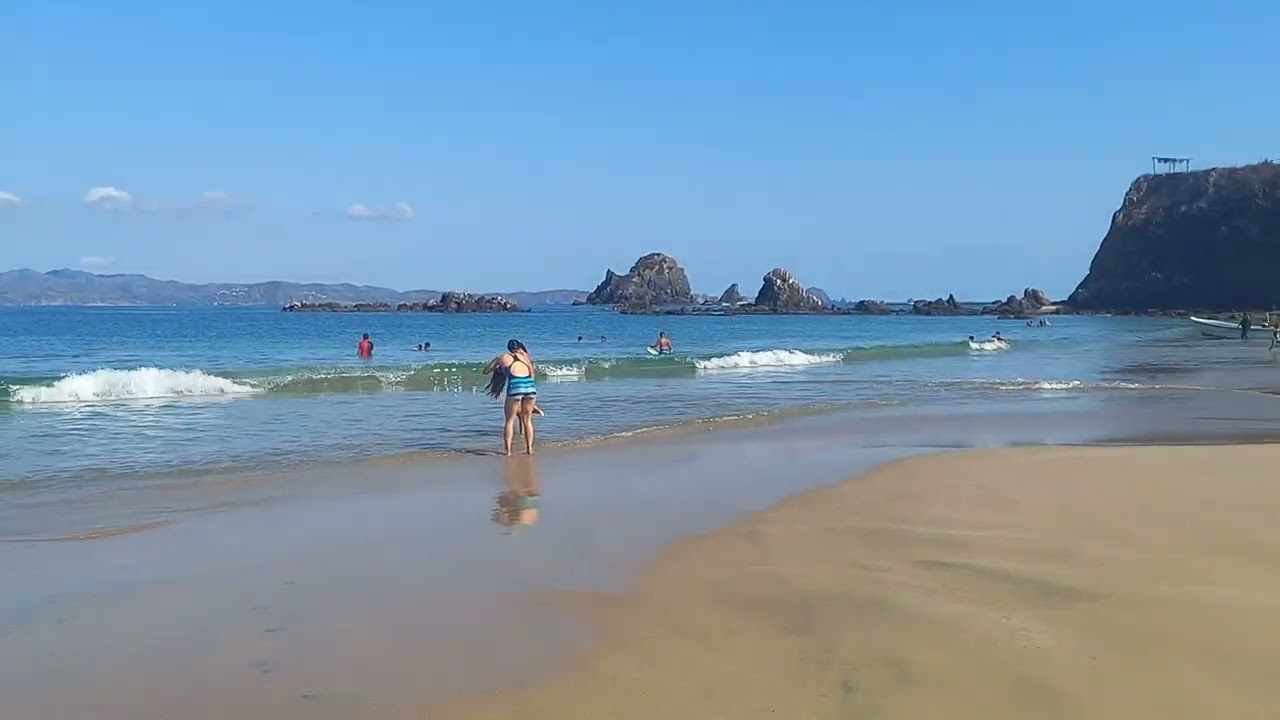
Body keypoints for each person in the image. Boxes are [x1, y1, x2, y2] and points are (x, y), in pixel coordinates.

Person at [484, 339, 540, 456]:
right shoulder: (525, 356)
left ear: (508, 348)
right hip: (530, 387)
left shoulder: (501, 357)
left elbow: (486, 371)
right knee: (528, 420)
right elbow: (532, 374)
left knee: (509, 421)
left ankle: (508, 451)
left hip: (515, 386)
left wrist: (497, 368)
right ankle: (529, 449)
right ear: (518, 347)